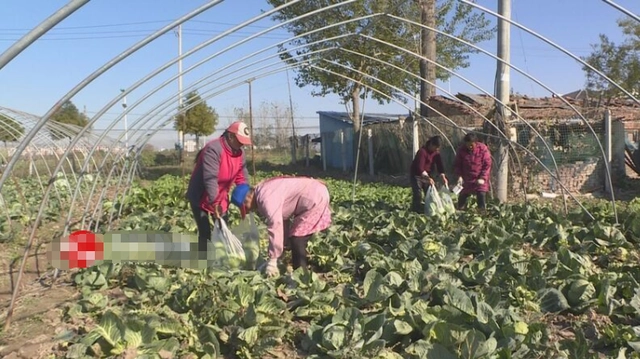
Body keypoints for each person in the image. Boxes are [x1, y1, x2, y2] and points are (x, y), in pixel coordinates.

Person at [229, 176, 332, 277]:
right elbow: (283, 219)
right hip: (315, 193)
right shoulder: (263, 191)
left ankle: (301, 277)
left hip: (315, 197)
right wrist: (282, 247)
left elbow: (276, 224)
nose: (248, 211)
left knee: (297, 238)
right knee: (294, 237)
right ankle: (300, 272)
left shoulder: (266, 198)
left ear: (248, 198)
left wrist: (273, 259)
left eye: (245, 207)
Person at [186, 121, 252, 254]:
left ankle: (222, 259)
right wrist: (215, 203)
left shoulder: (240, 153)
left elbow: (242, 176)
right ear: (230, 136)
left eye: (244, 142)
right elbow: (210, 179)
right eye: (240, 141)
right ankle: (203, 260)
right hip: (201, 196)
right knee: (204, 231)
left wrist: (247, 196)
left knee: (223, 227)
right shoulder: (214, 149)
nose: (241, 144)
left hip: (220, 195)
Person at [453, 133, 492, 211]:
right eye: (468, 145)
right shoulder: (461, 150)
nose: (470, 147)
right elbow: (458, 165)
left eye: (472, 145)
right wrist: (459, 176)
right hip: (467, 179)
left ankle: (482, 213)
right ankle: (460, 214)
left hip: (479, 179)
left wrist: (483, 178)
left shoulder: (482, 149)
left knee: (481, 195)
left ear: (476, 143)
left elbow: (487, 165)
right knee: (462, 197)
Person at [409, 135, 448, 213]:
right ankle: (415, 211)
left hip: (428, 175)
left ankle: (430, 210)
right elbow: (420, 168)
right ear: (431, 144)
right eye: (435, 147)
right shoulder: (422, 152)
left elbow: (440, 165)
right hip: (417, 175)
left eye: (438, 148)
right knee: (418, 193)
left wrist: (443, 176)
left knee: (429, 193)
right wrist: (428, 178)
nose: (436, 149)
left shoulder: (436, 153)